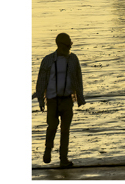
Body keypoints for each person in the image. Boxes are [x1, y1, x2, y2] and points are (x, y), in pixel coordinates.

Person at [34, 32, 86, 167]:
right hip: (52, 100)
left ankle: (63, 159)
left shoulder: (73, 59)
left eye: (70, 44)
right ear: (60, 45)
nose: (70, 47)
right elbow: (41, 81)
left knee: (65, 130)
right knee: (52, 127)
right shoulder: (48, 60)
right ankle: (48, 150)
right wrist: (40, 99)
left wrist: (80, 97)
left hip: (67, 100)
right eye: (68, 44)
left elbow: (78, 79)